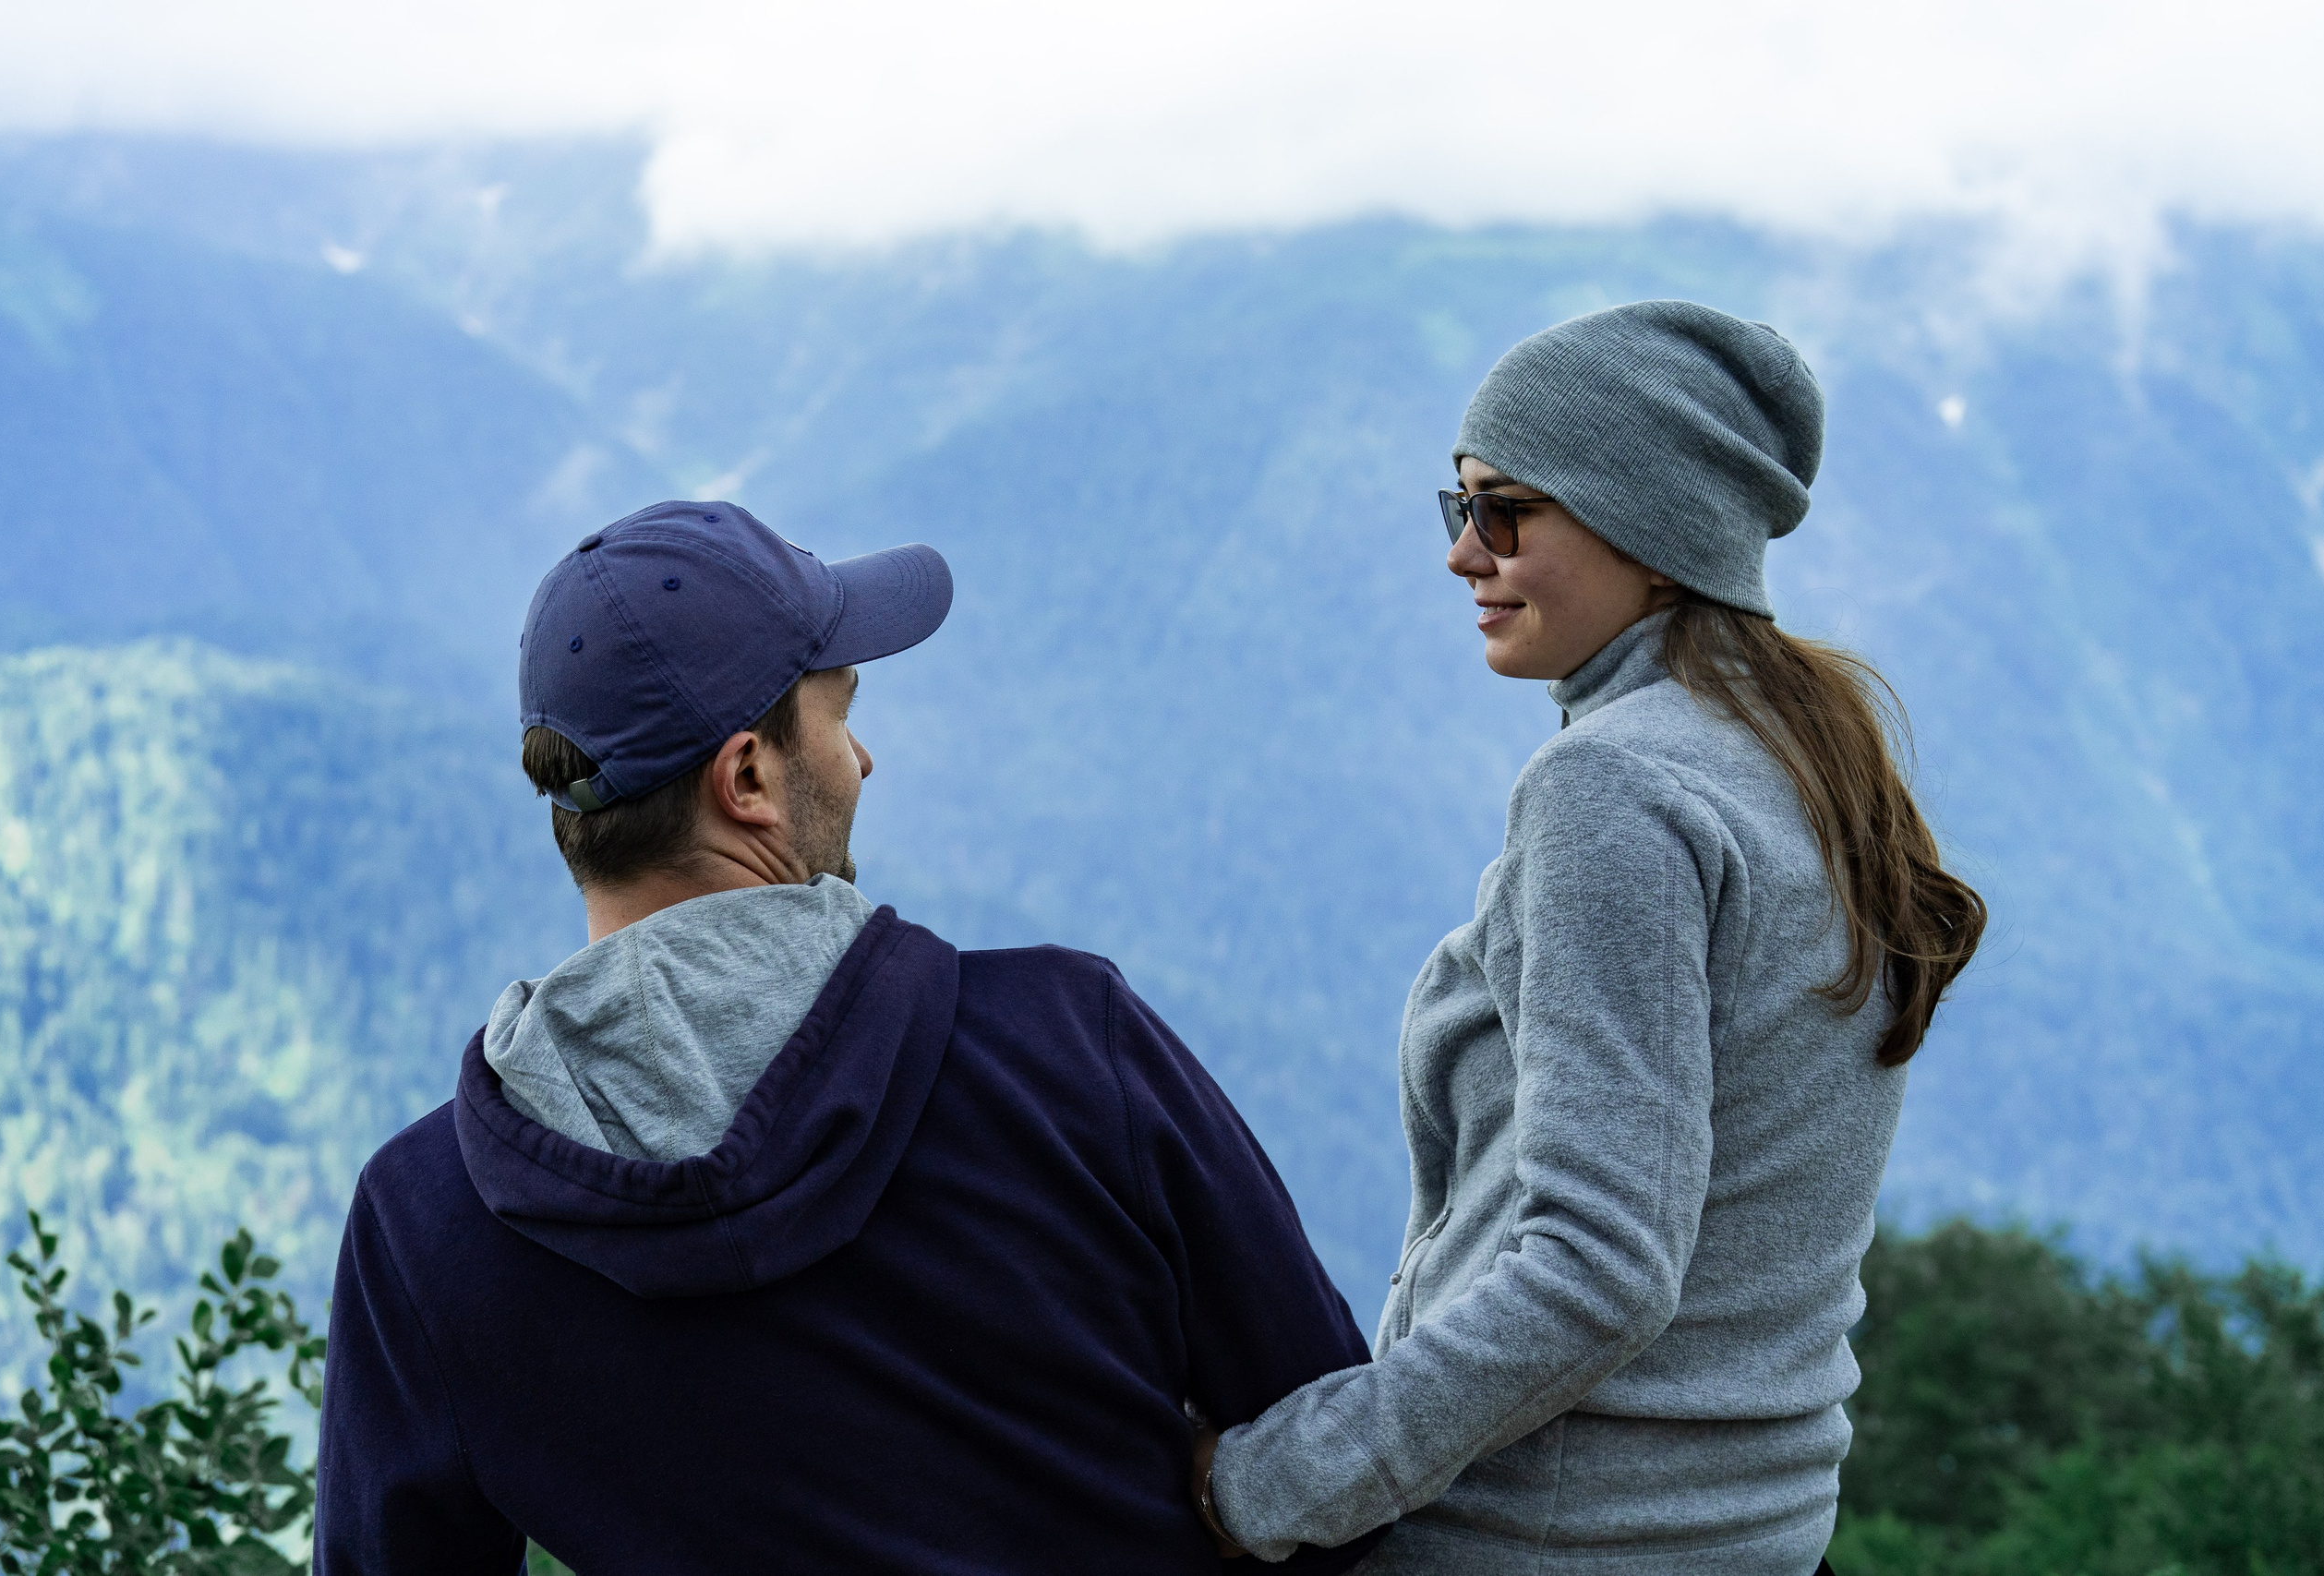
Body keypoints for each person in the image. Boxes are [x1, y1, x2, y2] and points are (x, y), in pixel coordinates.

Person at [313, 502, 1388, 1574]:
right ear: (748, 779)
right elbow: (1345, 1466)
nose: (862, 759)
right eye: (838, 715)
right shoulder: (1067, 1049)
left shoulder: (429, 1224)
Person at [1197, 303, 1987, 1573]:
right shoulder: (1808, 758)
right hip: (1758, 1538)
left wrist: (1272, 1478)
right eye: (1453, 506)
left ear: (1654, 531)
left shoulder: (1612, 790)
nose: (1464, 553)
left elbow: (1598, 1270)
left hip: (1551, 1539)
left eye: (1504, 509)